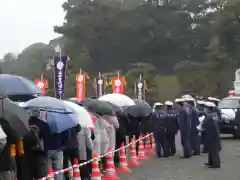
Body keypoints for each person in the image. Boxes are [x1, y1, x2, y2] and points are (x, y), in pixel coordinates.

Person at [202, 101, 221, 168]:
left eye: (205, 108)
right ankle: (211, 162)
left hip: (210, 134)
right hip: (215, 134)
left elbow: (204, 125)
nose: (204, 109)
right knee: (212, 149)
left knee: (213, 150)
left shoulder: (209, 116)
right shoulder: (215, 114)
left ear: (207, 109)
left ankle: (216, 164)